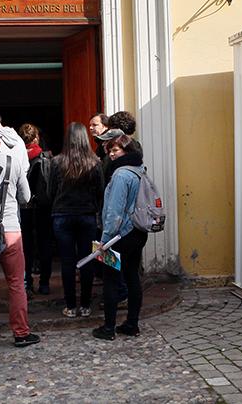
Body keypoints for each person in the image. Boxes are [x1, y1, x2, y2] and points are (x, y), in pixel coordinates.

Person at [0, 128, 41, 348]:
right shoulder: (13, 162)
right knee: (16, 283)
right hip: (11, 228)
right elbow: (25, 197)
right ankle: (21, 332)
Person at [92, 134, 149, 341]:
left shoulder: (120, 175)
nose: (112, 155)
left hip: (119, 236)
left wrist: (104, 240)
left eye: (115, 150)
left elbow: (114, 211)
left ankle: (108, 327)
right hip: (137, 233)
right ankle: (132, 324)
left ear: (126, 150)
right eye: (110, 151)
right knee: (132, 276)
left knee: (111, 280)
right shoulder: (140, 171)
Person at [48, 122, 105, 318]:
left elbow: (51, 191)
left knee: (67, 261)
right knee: (87, 259)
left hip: (62, 215)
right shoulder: (95, 162)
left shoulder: (57, 162)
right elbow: (100, 191)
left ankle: (71, 305)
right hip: (87, 215)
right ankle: (86, 305)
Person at [18, 123, 53, 296]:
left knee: (26, 246)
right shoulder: (46, 157)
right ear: (36, 138)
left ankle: (27, 283)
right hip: (43, 207)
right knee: (45, 244)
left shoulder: (18, 157)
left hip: (24, 207)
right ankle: (45, 283)